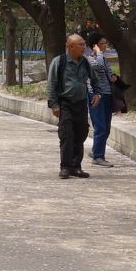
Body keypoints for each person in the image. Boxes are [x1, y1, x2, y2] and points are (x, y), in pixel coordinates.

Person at [46, 34, 97, 180]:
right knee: (66, 135)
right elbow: (51, 85)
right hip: (65, 104)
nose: (84, 47)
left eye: (84, 44)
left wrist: (98, 93)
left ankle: (76, 167)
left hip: (81, 104)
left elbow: (95, 79)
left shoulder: (85, 62)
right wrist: (54, 105)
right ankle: (65, 167)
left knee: (80, 134)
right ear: (71, 47)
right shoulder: (59, 62)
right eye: (81, 44)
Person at [88, 34, 116, 167]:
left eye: (105, 43)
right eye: (102, 43)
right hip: (95, 95)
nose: (105, 46)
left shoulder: (103, 58)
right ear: (95, 45)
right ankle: (98, 156)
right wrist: (98, 53)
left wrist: (113, 77)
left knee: (106, 127)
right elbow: (97, 65)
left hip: (107, 94)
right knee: (100, 126)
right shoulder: (90, 59)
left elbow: (109, 73)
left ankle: (96, 150)